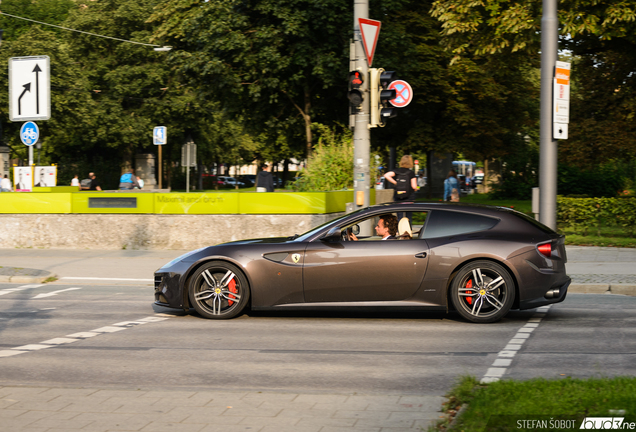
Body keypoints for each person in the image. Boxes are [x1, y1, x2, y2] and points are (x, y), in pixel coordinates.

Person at [384, 155, 418, 223]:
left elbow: (386, 175)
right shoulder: (411, 173)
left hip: (398, 196)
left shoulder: (396, 171)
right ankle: (408, 231)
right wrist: (417, 189)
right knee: (408, 216)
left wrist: (396, 183)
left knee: (400, 216)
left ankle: (400, 231)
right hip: (409, 197)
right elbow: (414, 186)